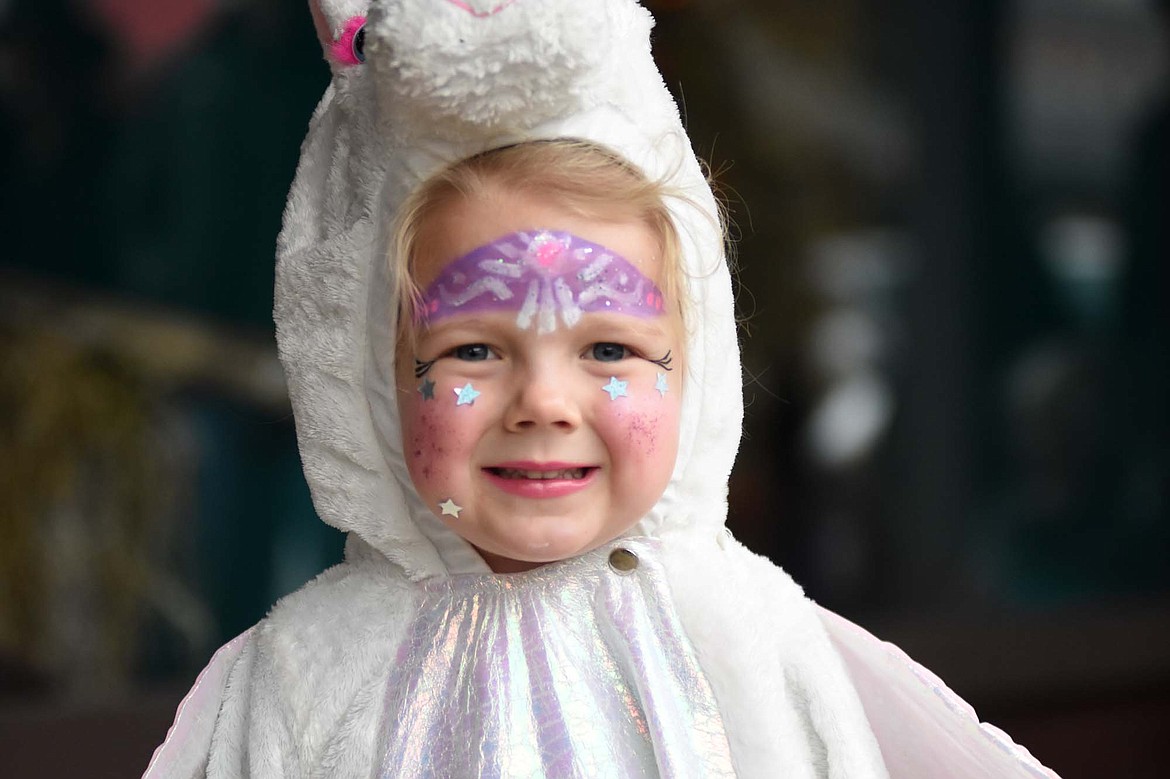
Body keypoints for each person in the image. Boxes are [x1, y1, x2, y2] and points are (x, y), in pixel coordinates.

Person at [145, 2, 1060, 776]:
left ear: (691, 362)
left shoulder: (747, 639)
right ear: (373, 380)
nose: (544, 402)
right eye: (473, 351)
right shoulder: (302, 673)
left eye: (610, 346)